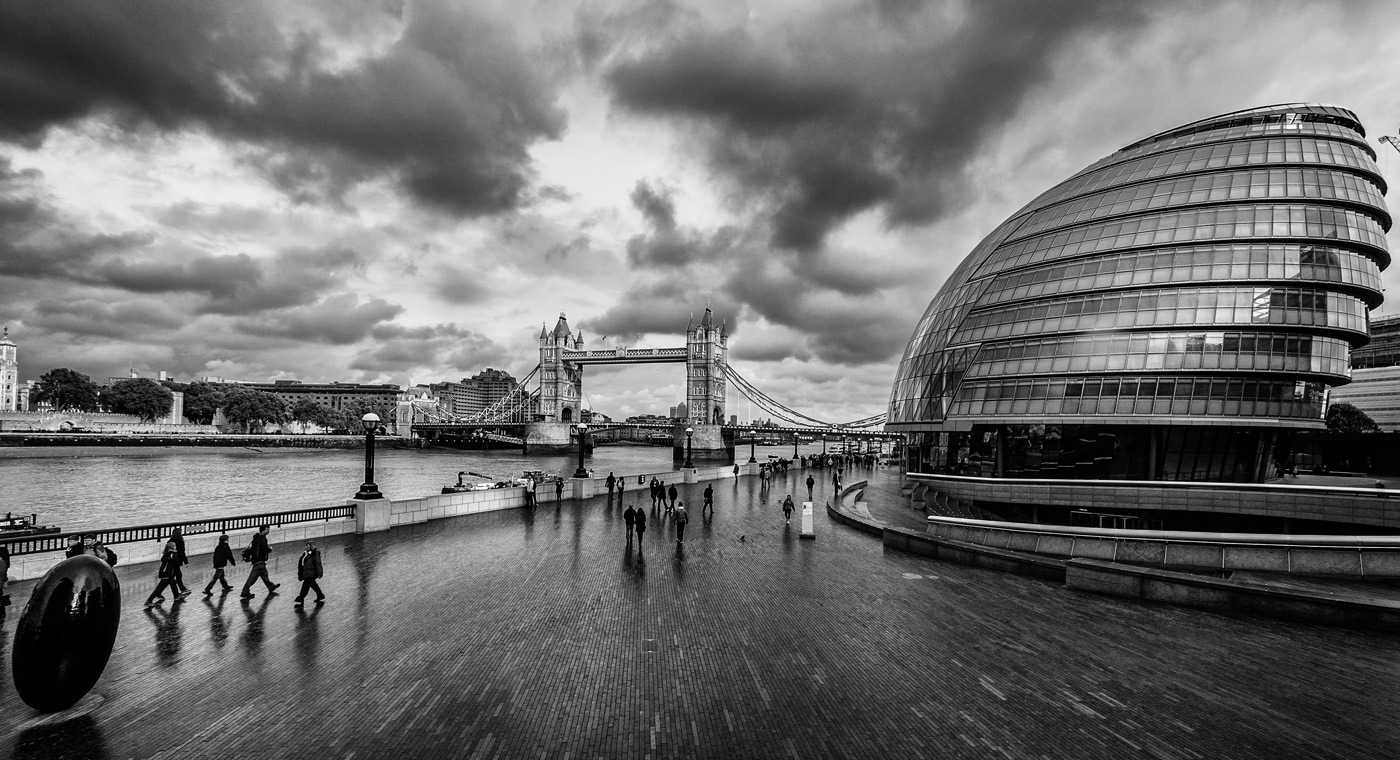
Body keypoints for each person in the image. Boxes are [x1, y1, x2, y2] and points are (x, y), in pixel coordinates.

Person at [240, 525, 280, 599]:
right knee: (252, 578)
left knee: (264, 574)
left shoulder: (256, 538)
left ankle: (271, 586)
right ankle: (244, 592)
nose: (268, 531)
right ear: (262, 530)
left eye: (269, 529)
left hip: (257, 560)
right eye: (267, 529)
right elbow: (265, 549)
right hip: (259, 561)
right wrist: (270, 549)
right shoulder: (262, 539)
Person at [145, 539, 182, 607]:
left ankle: (176, 595)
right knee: (159, 588)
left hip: (167, 574)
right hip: (166, 574)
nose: (176, 547)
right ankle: (149, 601)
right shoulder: (170, 555)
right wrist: (174, 555)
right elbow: (177, 563)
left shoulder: (167, 555)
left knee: (172, 583)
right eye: (175, 546)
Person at [294, 540, 325, 608]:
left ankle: (300, 600)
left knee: (305, 588)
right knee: (313, 585)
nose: (306, 547)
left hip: (310, 574)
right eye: (306, 546)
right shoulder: (306, 553)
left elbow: (318, 564)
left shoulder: (314, 554)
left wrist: (320, 573)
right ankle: (320, 595)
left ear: (312, 547)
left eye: (308, 546)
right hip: (307, 573)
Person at [170, 526, 190, 594]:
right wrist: (186, 562)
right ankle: (182, 589)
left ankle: (182, 589)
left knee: (174, 575)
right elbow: (182, 552)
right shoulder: (180, 541)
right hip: (177, 560)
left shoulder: (170, 541)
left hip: (171, 560)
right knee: (177, 575)